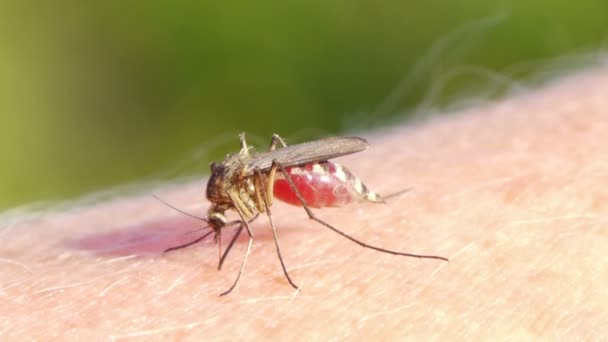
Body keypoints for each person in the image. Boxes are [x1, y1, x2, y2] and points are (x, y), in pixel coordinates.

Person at [2, 65, 607, 339]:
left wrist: (250, 223)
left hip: (297, 178)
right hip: (273, 176)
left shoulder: (242, 188)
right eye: (217, 220)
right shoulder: (226, 192)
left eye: (217, 220)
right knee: (258, 166)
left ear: (223, 200)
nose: (219, 223)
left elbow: (249, 184)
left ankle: (358, 220)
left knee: (273, 167)